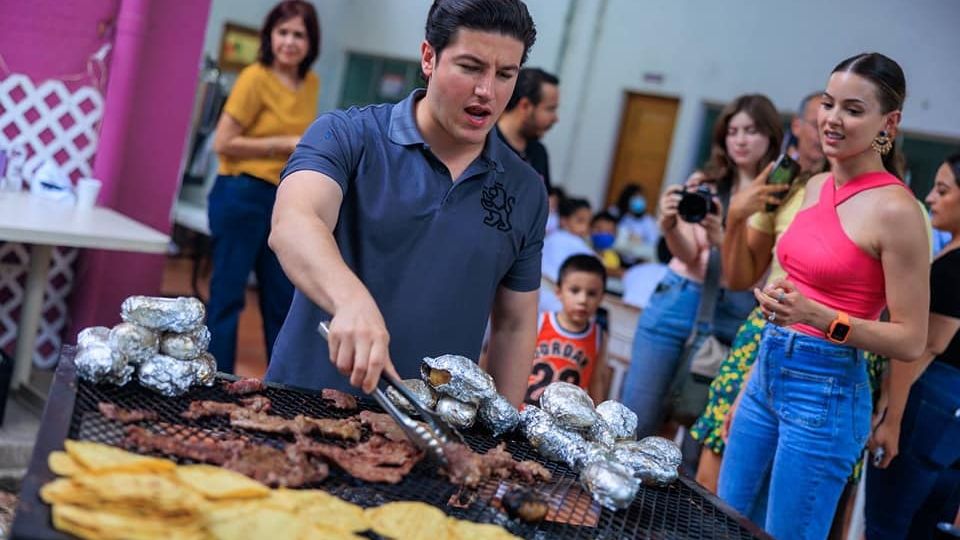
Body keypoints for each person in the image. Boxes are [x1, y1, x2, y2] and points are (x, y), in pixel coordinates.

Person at [265, 0, 543, 405]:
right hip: (303, 403)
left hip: (426, 428)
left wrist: (497, 436)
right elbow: (294, 222)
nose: (486, 90)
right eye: (470, 67)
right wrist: (350, 301)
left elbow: (514, 327)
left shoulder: (525, 189)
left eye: (505, 74)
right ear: (429, 57)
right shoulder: (348, 136)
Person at [718, 53, 930, 540]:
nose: (832, 119)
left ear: (889, 122)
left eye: (853, 109)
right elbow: (791, 293)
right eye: (829, 104)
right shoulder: (814, 186)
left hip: (827, 389)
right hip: (767, 371)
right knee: (720, 522)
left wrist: (821, 315)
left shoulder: (897, 210)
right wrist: (754, 383)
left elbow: (911, 338)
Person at [689, 92, 827, 493]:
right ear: (796, 127)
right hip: (764, 333)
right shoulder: (785, 190)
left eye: (844, 113)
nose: (828, 127)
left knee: (787, 491)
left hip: (827, 348)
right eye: (820, 117)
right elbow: (739, 277)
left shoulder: (874, 202)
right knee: (715, 471)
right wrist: (735, 216)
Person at [620, 94, 780, 438]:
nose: (739, 139)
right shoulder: (705, 182)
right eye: (732, 130)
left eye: (751, 130)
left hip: (732, 310)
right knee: (638, 417)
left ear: (770, 135)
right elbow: (689, 252)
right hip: (679, 296)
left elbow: (755, 267)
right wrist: (668, 224)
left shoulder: (775, 196)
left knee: (699, 428)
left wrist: (723, 236)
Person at [207, 0, 321, 373]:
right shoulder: (255, 77)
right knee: (227, 297)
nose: (289, 41)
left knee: (282, 299)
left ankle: (282, 385)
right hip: (241, 194)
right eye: (282, 32)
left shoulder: (311, 84)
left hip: (283, 201)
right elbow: (222, 142)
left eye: (298, 34)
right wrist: (285, 142)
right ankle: (219, 381)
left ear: (311, 42)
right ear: (269, 36)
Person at [865, 152, 960, 539]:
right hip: (948, 412)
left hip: (927, 401)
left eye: (942, 190)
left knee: (888, 526)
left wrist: (891, 416)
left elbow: (925, 346)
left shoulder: (954, 266)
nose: (931, 198)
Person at [525, 254, 609, 405]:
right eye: (575, 290)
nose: (582, 300)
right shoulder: (539, 322)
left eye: (592, 294)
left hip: (566, 421)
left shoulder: (598, 336)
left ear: (602, 298)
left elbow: (596, 381)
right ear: (559, 292)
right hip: (526, 410)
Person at [495, 67, 559, 189]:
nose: (555, 118)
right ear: (525, 106)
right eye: (550, 109)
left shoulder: (538, 153)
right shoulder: (484, 145)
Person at [540, 197, 593, 313]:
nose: (585, 227)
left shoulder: (550, 238)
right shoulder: (573, 241)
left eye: (588, 223)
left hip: (538, 293)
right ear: (564, 221)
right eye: (580, 221)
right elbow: (596, 264)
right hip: (556, 298)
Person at [611, 183, 660, 262]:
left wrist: (640, 240)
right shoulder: (615, 212)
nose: (638, 200)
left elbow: (654, 243)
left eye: (640, 197)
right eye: (635, 197)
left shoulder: (648, 221)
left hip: (638, 259)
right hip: (615, 255)